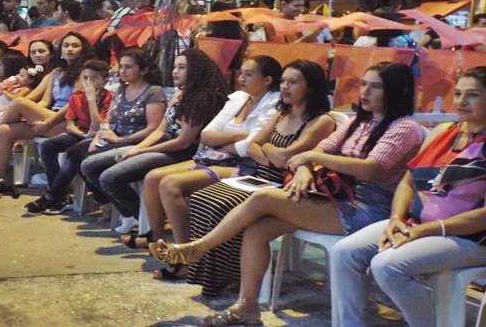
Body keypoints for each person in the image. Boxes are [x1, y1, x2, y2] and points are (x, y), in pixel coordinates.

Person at [150, 62, 425, 326]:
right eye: (364, 84)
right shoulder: (357, 122)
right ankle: (247, 306)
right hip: (335, 197)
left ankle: (197, 249)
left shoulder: (404, 127)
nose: (364, 92)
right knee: (257, 229)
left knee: (262, 198)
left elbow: (370, 170)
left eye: (374, 87)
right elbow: (312, 153)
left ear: (396, 91)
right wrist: (306, 167)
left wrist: (309, 159)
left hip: (369, 209)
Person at [331, 66, 486, 327]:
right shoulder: (445, 132)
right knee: (344, 252)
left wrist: (425, 231)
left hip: (470, 238)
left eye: (473, 95)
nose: (461, 101)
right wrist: (396, 219)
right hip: (417, 224)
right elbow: (407, 182)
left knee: (387, 266)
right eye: (458, 93)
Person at [173, 60, 335, 287]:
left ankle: (223, 276)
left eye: (293, 82)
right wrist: (271, 152)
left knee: (221, 205)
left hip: (281, 185)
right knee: (203, 198)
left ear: (311, 86)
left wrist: (267, 150)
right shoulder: (281, 113)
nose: (285, 87)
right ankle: (201, 272)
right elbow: (253, 146)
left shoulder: (321, 122)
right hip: (257, 177)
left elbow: (285, 157)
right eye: (284, 81)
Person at [139, 56, 282, 255]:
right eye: (241, 73)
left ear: (267, 80)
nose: (241, 78)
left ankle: (185, 254)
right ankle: (157, 238)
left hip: (244, 165)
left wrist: (225, 140)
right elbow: (207, 135)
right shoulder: (238, 98)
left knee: (170, 184)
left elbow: (251, 146)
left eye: (248, 75)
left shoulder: (275, 105)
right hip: (213, 155)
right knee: (152, 177)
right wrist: (237, 136)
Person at [81, 49, 227, 234]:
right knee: (89, 163)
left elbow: (182, 142)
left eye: (181, 67)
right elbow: (160, 130)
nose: (175, 71)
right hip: (158, 144)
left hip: (182, 153)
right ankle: (133, 216)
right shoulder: (178, 94)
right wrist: (137, 148)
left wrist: (137, 150)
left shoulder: (203, 99)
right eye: (174, 66)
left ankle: (144, 223)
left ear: (196, 70)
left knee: (109, 176)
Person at [0, 32, 94, 183]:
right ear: (60, 50)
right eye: (66, 45)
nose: (70, 49)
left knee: (19, 103)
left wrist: (46, 122)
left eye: (75, 46)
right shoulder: (56, 73)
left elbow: (73, 105)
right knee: (5, 130)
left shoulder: (84, 73)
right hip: (49, 115)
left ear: (83, 50)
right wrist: (28, 113)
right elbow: (44, 101)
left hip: (67, 122)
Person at [25, 59, 114, 214]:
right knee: (47, 146)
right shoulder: (77, 96)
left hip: (99, 136)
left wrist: (92, 100)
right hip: (81, 133)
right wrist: (81, 133)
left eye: (94, 79)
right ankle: (59, 195)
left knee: (74, 153)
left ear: (105, 80)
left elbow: (98, 126)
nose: (89, 83)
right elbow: (70, 124)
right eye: (86, 78)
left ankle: (53, 196)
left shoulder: (109, 98)